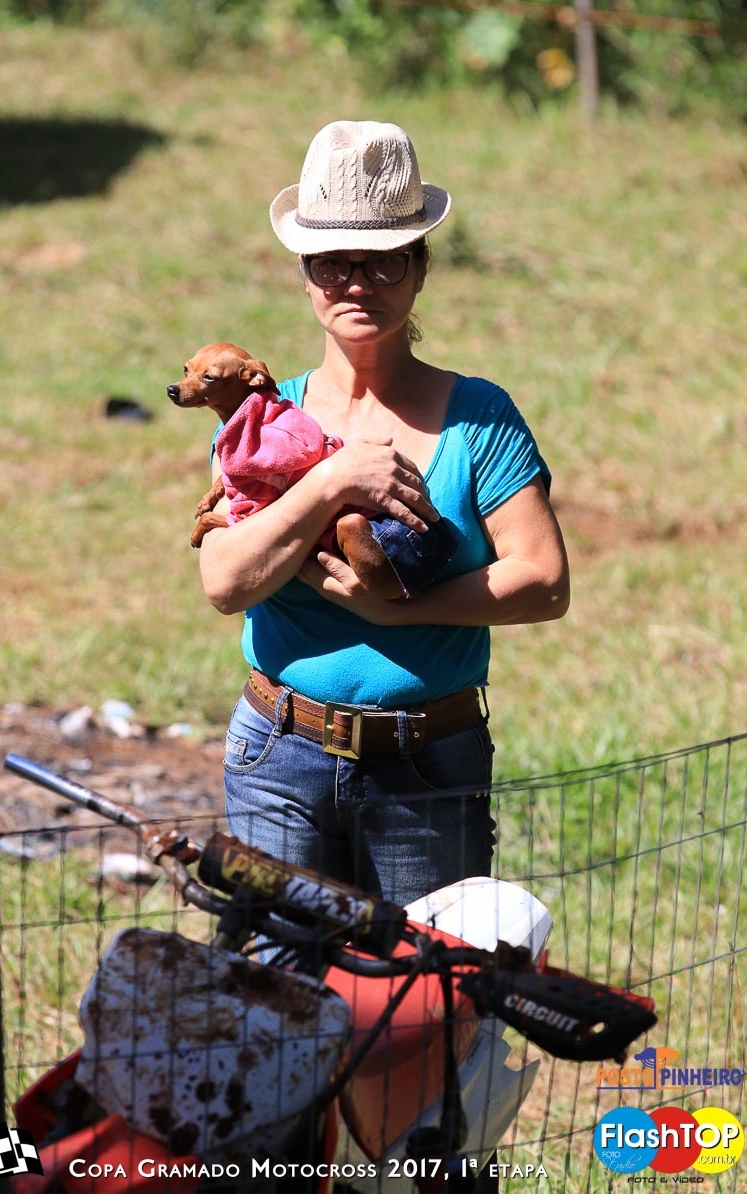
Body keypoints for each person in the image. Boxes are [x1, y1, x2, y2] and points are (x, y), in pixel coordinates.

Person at [199, 120, 570, 909]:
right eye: (334, 262)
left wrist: (401, 614)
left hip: (428, 761)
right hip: (278, 753)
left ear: (422, 268)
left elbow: (543, 582)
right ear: (305, 274)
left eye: (384, 261)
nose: (357, 283)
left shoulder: (480, 417)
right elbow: (227, 581)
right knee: (277, 999)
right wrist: (331, 479)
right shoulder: (263, 419)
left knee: (423, 1005)